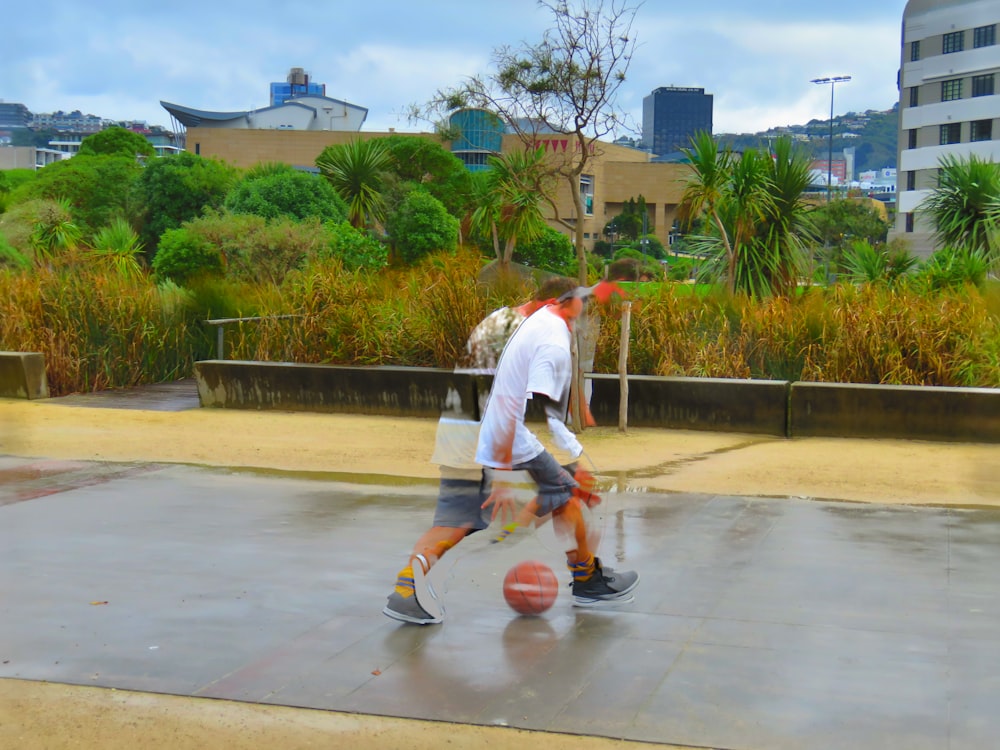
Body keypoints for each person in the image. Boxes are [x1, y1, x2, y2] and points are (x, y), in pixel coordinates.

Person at [383, 276, 578, 625]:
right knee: (564, 483)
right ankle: (517, 544)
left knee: (455, 521)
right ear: (552, 305)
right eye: (568, 318)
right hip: (483, 436)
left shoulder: (501, 318)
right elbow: (503, 406)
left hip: (459, 430)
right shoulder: (529, 333)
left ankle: (405, 590)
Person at [475, 283, 639, 609]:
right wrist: (572, 447)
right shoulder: (553, 336)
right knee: (568, 490)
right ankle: (586, 579)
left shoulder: (540, 320)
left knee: (565, 493)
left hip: (505, 432)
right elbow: (544, 406)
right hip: (511, 435)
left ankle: (582, 572)